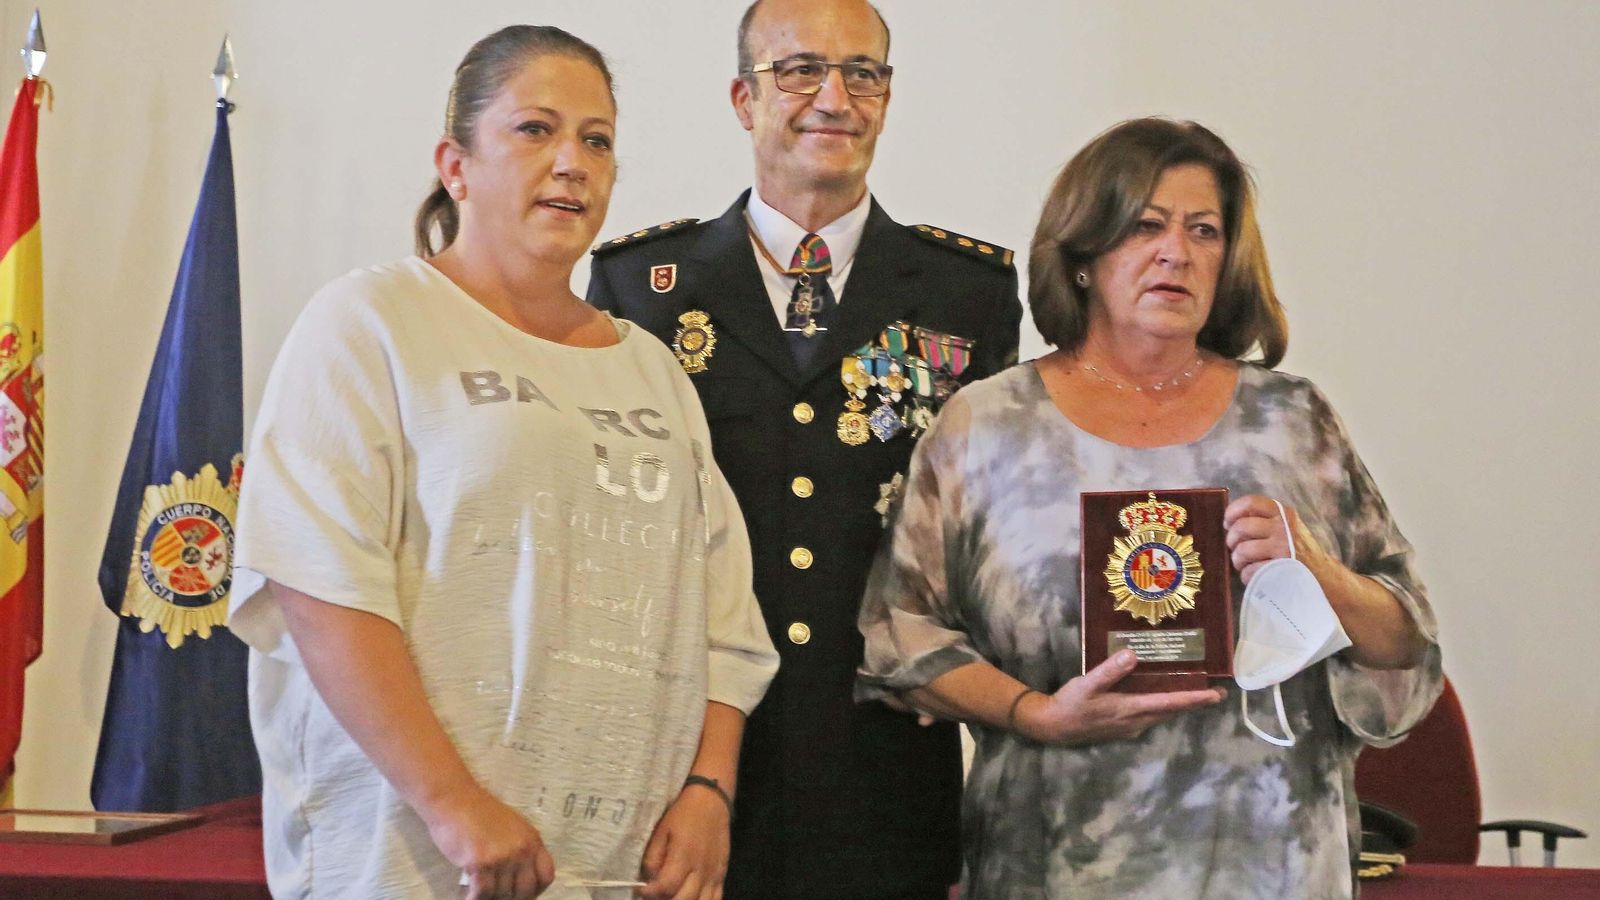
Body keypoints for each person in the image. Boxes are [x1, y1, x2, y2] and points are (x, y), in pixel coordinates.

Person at [230, 25, 777, 900]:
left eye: (596, 140)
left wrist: (711, 788)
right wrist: (453, 805)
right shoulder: (369, 323)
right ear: (456, 165)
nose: (572, 162)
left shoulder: (652, 369)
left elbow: (723, 617)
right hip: (420, 855)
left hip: (619, 867)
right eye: (536, 130)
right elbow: (317, 583)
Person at [856, 117, 1442, 898]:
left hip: (1271, 861)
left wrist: (1318, 568)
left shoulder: (1293, 423)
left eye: (1205, 230)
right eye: (1146, 226)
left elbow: (1407, 651)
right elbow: (901, 639)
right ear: (1085, 255)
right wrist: (1034, 713)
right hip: (1057, 856)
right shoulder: (987, 425)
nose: (1178, 252)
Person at [586, 1, 1022, 895]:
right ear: (744, 99)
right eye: (800, 71)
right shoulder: (643, 286)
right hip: (687, 759)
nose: (835, 96)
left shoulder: (965, 293)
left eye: (863, 72)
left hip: (885, 764)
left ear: (887, 99)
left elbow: (985, 534)